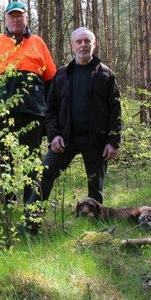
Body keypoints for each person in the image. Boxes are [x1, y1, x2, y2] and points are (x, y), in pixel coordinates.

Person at [25, 27, 121, 232]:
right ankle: (31, 225)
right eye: (79, 42)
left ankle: (95, 233)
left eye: (87, 41)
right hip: (66, 139)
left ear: (94, 44)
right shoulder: (62, 74)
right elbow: (50, 110)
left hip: (96, 140)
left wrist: (113, 142)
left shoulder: (105, 74)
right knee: (44, 173)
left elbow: (115, 110)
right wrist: (54, 136)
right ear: (73, 45)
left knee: (95, 188)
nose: (83, 45)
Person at [0, 1, 57, 204]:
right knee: (5, 159)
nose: (16, 19)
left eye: (20, 15)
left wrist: (49, 113)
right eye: (12, 16)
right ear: (6, 19)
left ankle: (31, 203)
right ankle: (8, 203)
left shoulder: (38, 43)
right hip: (3, 113)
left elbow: (51, 79)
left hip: (33, 113)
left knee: (32, 159)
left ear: (26, 18)